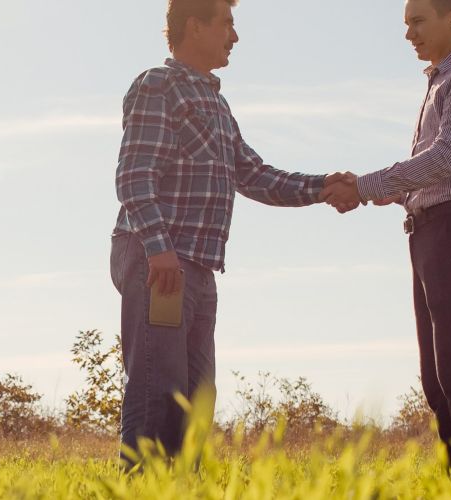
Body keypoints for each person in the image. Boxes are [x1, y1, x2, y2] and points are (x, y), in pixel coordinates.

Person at [109, 0, 355, 471]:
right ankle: (140, 484)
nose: (234, 37)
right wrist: (158, 249)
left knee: (197, 397)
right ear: (195, 27)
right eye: (227, 24)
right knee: (158, 389)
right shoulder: (158, 86)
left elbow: (255, 174)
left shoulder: (217, 105)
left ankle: (184, 485)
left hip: (198, 267)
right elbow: (134, 176)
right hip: (160, 262)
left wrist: (323, 187)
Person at [319, 0, 451, 480]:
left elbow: (444, 159)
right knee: (435, 377)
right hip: (427, 231)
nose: (409, 35)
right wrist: (396, 194)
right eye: (407, 25)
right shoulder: (439, 81)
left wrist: (365, 186)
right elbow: (433, 169)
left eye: (417, 22)